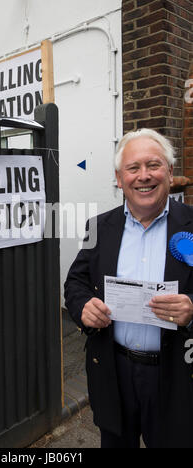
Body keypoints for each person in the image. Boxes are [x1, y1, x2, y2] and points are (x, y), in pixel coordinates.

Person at [64, 128, 193, 448]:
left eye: (154, 165)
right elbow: (76, 281)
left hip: (176, 374)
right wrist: (82, 307)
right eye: (133, 169)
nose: (144, 176)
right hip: (113, 371)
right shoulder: (99, 227)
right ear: (119, 179)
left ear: (170, 173)